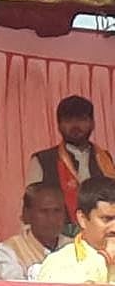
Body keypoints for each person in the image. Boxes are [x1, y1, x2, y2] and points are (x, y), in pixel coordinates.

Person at [28, 96, 115, 231]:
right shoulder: (43, 160)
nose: (75, 126)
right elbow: (30, 206)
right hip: (59, 241)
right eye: (68, 120)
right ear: (59, 125)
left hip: (102, 237)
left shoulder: (105, 159)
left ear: (92, 123)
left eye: (81, 119)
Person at [35, 176, 115, 283]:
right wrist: (104, 258)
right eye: (106, 219)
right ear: (82, 219)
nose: (114, 228)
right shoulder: (59, 263)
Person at [0, 183, 71, 281]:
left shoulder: (75, 246)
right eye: (44, 211)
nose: (52, 219)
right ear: (27, 215)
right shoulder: (7, 251)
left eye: (57, 211)